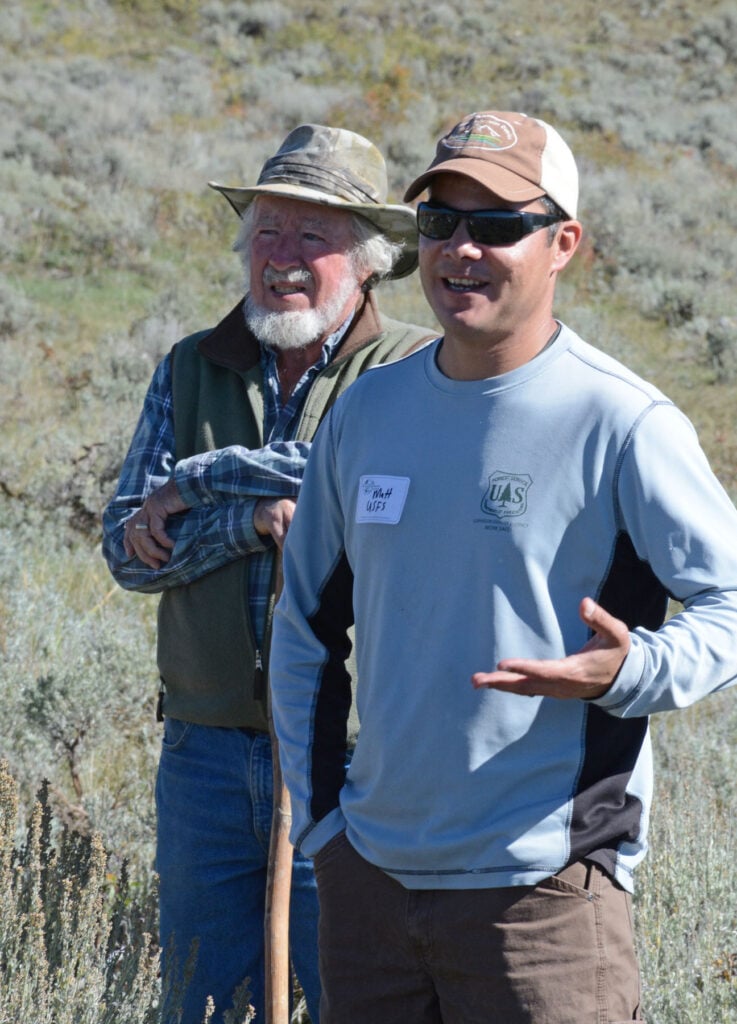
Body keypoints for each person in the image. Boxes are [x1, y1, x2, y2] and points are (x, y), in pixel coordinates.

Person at [269, 110, 737, 1024]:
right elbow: (305, 635)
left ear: (562, 243)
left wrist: (634, 670)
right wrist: (327, 828)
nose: (461, 250)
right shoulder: (368, 414)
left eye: (496, 226)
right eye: (440, 223)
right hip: (368, 888)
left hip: (543, 899)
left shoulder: (622, 424)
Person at [101, 123, 435, 1024]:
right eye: (266, 236)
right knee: (203, 1003)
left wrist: (197, 484)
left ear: (366, 262)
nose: (281, 260)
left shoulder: (412, 368)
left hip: (357, 757)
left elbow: (353, 494)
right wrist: (250, 522)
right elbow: (126, 551)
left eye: (312, 239)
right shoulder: (191, 365)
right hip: (204, 751)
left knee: (358, 1000)